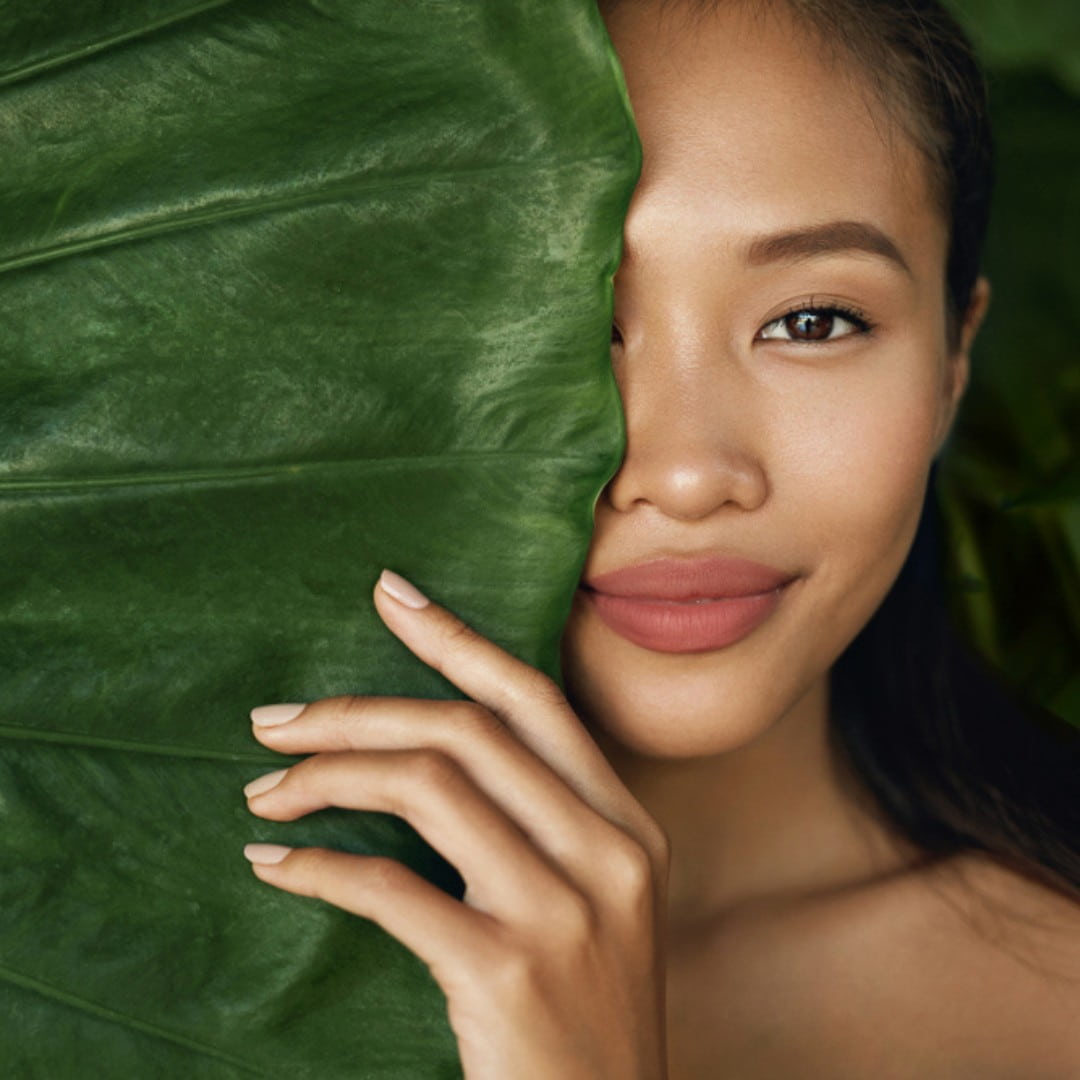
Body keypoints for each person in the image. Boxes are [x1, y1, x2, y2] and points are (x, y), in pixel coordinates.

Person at [237, 0, 1080, 1074]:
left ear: (952, 363)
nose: (684, 476)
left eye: (811, 321)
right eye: (562, 326)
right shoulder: (117, 955)